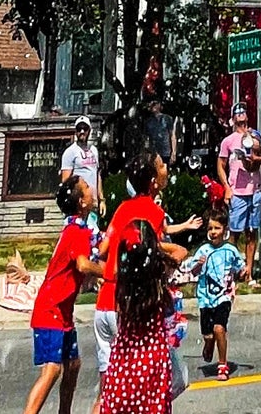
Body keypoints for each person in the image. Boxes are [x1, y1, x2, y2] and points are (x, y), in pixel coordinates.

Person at [91, 152, 200, 413]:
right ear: (153, 180)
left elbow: (106, 248)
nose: (167, 169)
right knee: (169, 381)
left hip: (106, 301)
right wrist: (173, 255)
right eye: (162, 166)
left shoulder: (123, 208)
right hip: (130, 306)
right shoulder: (152, 211)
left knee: (110, 391)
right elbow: (148, 247)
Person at [25, 174, 103, 414]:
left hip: (63, 310)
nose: (91, 190)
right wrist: (109, 273)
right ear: (81, 202)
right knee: (53, 369)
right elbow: (82, 264)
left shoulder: (78, 228)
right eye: (87, 188)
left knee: (73, 365)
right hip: (51, 309)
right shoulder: (76, 232)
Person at [98, 225, 173, 414]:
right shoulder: (158, 287)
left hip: (124, 362)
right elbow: (180, 253)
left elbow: (114, 268)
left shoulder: (123, 289)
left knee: (118, 406)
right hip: (152, 362)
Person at [184, 211, 243, 382]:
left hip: (224, 296)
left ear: (225, 230)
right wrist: (198, 265)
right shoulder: (203, 250)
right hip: (205, 297)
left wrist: (244, 272)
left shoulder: (230, 250)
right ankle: (209, 344)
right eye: (210, 228)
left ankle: (222, 364)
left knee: (219, 329)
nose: (213, 231)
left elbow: (240, 267)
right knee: (209, 335)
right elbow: (193, 272)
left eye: (217, 228)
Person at [216, 105, 261, 288]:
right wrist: (226, 188)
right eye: (237, 113)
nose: (241, 115)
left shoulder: (256, 136)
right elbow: (220, 165)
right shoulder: (228, 141)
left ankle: (249, 273)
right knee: (234, 233)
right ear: (232, 118)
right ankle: (230, 273)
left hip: (255, 191)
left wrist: (259, 155)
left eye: (244, 112)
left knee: (252, 233)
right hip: (237, 192)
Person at [60, 120, 102, 214]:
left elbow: (97, 175)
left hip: (93, 203)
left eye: (85, 128)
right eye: (79, 129)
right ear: (75, 131)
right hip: (78, 206)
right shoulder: (70, 152)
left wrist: (101, 199)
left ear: (89, 130)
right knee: (78, 228)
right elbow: (66, 182)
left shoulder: (94, 150)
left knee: (92, 228)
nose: (82, 131)